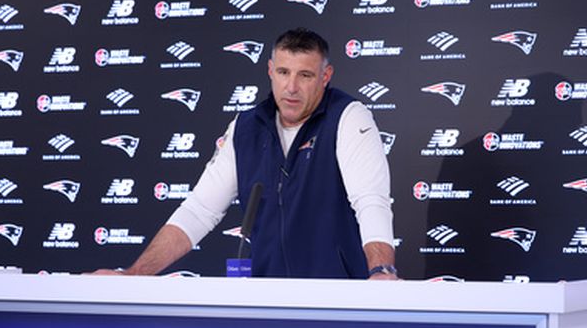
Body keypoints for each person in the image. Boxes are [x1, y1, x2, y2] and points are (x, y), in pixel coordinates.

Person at [95, 28, 397, 280]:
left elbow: (370, 200)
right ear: (270, 70)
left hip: (337, 299)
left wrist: (381, 270)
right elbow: (199, 210)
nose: (291, 87)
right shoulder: (245, 127)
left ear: (325, 75)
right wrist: (134, 274)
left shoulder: (348, 116)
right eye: (283, 72)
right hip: (263, 301)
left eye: (305, 75)